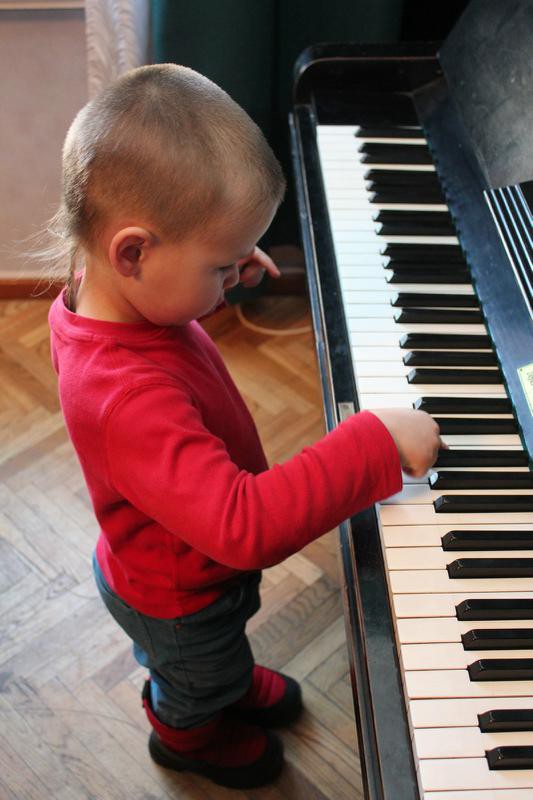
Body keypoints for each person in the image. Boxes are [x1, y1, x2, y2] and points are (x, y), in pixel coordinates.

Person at [46, 63, 444, 790]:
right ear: (132, 253)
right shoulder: (124, 397)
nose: (232, 277)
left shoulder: (102, 294)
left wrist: (215, 267)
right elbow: (244, 524)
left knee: (218, 654)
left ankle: (221, 680)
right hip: (179, 598)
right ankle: (186, 732)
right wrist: (373, 443)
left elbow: (163, 284)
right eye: (220, 266)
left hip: (178, 565)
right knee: (196, 676)